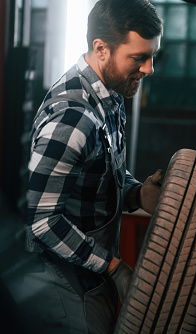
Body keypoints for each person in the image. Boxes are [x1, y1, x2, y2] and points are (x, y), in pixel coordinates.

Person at [21, 0, 163, 332]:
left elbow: (99, 176)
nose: (149, 69)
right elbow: (42, 222)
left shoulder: (110, 98)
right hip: (63, 280)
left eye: (152, 56)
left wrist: (138, 194)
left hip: (90, 270)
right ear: (101, 49)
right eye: (138, 58)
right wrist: (113, 267)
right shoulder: (73, 119)